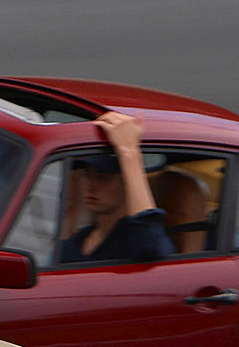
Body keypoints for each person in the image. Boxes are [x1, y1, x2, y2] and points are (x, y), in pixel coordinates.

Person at [58, 111, 173, 265]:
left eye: (103, 178)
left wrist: (128, 152)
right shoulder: (78, 240)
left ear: (127, 183)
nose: (90, 186)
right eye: (87, 175)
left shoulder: (135, 239)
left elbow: (150, 247)